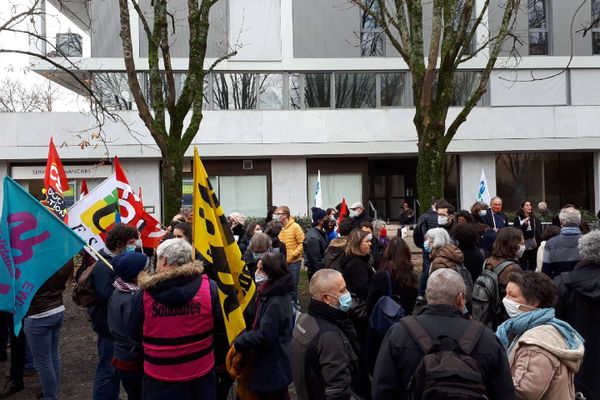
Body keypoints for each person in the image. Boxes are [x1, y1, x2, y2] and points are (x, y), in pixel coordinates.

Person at [372, 269, 515, 400]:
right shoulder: (486, 338)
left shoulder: (399, 333)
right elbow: (504, 393)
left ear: (428, 295)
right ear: (460, 298)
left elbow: (382, 390)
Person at [129, 239, 225, 400]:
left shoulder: (143, 295)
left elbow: (133, 333)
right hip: (201, 373)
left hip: (159, 377)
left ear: (164, 260)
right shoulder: (211, 289)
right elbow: (221, 330)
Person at [496, 271, 584, 400]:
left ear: (533, 302)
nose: (505, 300)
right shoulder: (545, 326)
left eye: (512, 296)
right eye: (506, 294)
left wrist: (491, 379)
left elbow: (524, 391)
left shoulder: (535, 344)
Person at [290, 269, 362, 400]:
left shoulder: (304, 319)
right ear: (326, 298)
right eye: (342, 290)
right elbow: (338, 389)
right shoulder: (329, 335)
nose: (347, 294)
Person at [234, 253, 294, 400]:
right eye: (257, 268)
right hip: (272, 364)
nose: (256, 272)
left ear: (272, 273)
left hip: (272, 367)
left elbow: (266, 335)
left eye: (261, 270)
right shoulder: (269, 291)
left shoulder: (275, 300)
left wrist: (241, 341)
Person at [90, 223, 140, 400]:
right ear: (120, 243)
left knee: (115, 372)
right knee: (108, 372)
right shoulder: (103, 264)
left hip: (116, 329)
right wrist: (129, 290)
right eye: (132, 242)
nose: (135, 246)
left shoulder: (116, 261)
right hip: (107, 329)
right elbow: (105, 295)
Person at [554, 231, 600, 399]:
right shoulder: (565, 282)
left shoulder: (564, 282)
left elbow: (554, 319)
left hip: (573, 350)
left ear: (582, 253)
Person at [21, 260, 74, 400]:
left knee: (43, 361)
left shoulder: (34, 261)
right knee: (53, 355)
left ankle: (50, 396)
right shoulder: (63, 258)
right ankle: (52, 392)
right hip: (57, 308)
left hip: (38, 314)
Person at [365, 237, 418, 374]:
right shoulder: (411, 277)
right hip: (404, 327)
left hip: (381, 330)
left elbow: (370, 305)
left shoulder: (381, 276)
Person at [107, 252, 148, 400]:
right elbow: (135, 332)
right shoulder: (131, 299)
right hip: (132, 360)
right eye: (146, 269)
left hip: (123, 355)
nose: (149, 272)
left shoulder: (119, 290)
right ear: (136, 275)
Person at [482, 227, 524, 328]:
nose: (523, 246)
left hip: (490, 313)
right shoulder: (513, 268)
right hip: (505, 316)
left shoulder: (488, 261)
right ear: (512, 245)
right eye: (521, 243)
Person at [274, 206, 304, 306]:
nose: (276, 216)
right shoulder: (278, 228)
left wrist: (293, 254)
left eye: (279, 214)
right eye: (276, 214)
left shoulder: (295, 227)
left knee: (292, 287)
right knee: (283, 287)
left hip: (294, 262)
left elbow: (302, 243)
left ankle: (294, 308)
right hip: (281, 262)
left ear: (285, 215)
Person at [542, 207, 583, 278]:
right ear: (579, 222)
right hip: (585, 286)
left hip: (560, 285)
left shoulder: (551, 243)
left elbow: (546, 272)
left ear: (561, 222)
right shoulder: (589, 241)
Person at [414, 198, 440, 305]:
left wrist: (423, 245)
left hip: (427, 247)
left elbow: (417, 233)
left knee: (426, 270)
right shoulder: (442, 217)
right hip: (439, 247)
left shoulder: (424, 216)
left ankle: (420, 294)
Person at [513, 200, 543, 271]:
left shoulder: (535, 219)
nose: (529, 207)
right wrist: (524, 225)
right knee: (522, 266)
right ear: (522, 208)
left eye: (530, 205)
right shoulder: (518, 218)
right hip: (522, 246)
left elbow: (538, 232)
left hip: (533, 246)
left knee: (533, 266)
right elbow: (515, 231)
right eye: (527, 205)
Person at [304, 207, 329, 281]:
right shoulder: (313, 237)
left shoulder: (320, 233)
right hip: (318, 274)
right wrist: (322, 276)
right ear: (320, 221)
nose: (328, 219)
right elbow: (315, 260)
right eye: (326, 217)